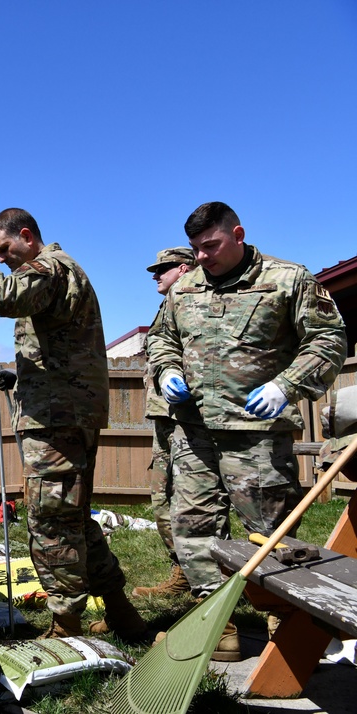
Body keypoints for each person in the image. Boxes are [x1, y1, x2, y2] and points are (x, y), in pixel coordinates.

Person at [0, 208, 148, 641]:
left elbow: (7, 297)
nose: (3, 258)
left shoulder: (50, 267)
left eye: (5, 249)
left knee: (50, 522)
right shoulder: (58, 272)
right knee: (75, 518)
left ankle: (66, 626)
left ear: (26, 236)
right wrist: (25, 377)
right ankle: (123, 614)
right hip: (63, 411)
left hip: (57, 419)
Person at [146, 201, 347, 660]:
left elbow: (329, 337)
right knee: (193, 527)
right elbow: (162, 337)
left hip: (255, 435)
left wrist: (287, 384)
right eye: (196, 248)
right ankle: (219, 627)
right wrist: (167, 369)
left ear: (237, 234)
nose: (202, 257)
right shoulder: (186, 287)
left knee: (271, 532)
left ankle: (292, 630)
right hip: (194, 433)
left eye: (211, 245)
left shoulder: (287, 279)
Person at [131, 247, 196, 598]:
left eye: (163, 269)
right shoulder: (168, 308)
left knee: (193, 504)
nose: (156, 275)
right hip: (164, 417)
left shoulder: (196, 305)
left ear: (184, 267)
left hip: (189, 420)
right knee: (162, 499)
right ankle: (184, 571)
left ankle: (207, 576)